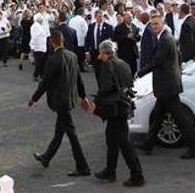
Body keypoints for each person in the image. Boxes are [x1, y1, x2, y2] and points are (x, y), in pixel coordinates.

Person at [135, 12, 195, 159]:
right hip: (167, 85)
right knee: (158, 116)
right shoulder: (165, 37)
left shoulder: (165, 39)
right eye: (152, 24)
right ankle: (148, 143)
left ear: (163, 24)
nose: (154, 27)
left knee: (180, 119)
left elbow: (157, 61)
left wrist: (140, 73)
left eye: (157, 24)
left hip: (168, 86)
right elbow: (178, 57)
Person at [29, 28, 92, 177]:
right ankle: (47, 157)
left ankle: (83, 166)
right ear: (62, 40)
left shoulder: (53, 59)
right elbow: (78, 79)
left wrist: (34, 98)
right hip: (70, 99)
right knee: (60, 131)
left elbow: (45, 82)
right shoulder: (72, 56)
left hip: (60, 101)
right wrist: (83, 96)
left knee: (72, 134)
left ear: (52, 42)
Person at [93, 39, 145, 187]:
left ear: (103, 53)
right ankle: (110, 170)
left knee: (124, 143)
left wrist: (96, 105)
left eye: (100, 53)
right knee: (111, 140)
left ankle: (137, 175)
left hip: (114, 109)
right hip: (123, 106)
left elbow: (106, 87)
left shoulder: (107, 65)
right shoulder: (123, 64)